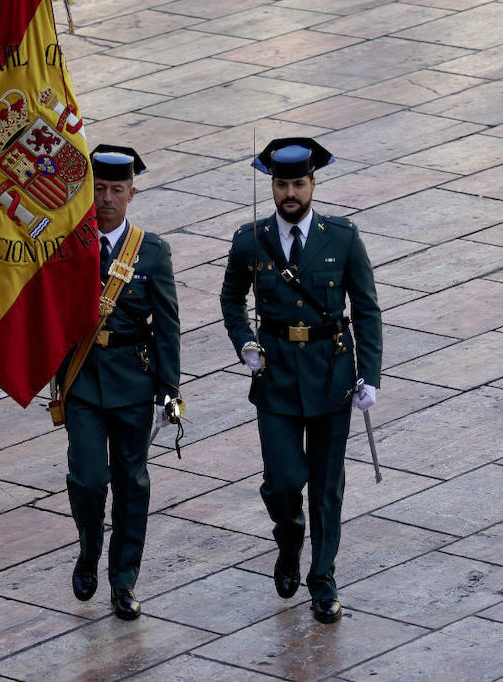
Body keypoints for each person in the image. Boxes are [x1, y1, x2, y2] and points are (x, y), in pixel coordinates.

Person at [219, 137, 382, 624]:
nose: (290, 192)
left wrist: (369, 374)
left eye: (298, 183)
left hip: (332, 372)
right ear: (272, 186)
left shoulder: (343, 237)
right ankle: (289, 539)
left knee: (327, 486)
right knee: (286, 481)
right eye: (281, 183)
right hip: (276, 378)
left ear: (314, 184)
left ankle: (323, 578)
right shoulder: (250, 239)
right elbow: (231, 300)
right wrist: (245, 342)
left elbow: (367, 309)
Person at [58, 144, 181, 621]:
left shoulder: (150, 251)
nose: (106, 198)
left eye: (115, 190)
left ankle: (124, 580)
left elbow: (167, 325)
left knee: (132, 484)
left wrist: (169, 388)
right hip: (83, 380)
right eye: (99, 189)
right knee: (88, 479)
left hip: (133, 379)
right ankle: (89, 549)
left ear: (132, 193)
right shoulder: (68, 243)